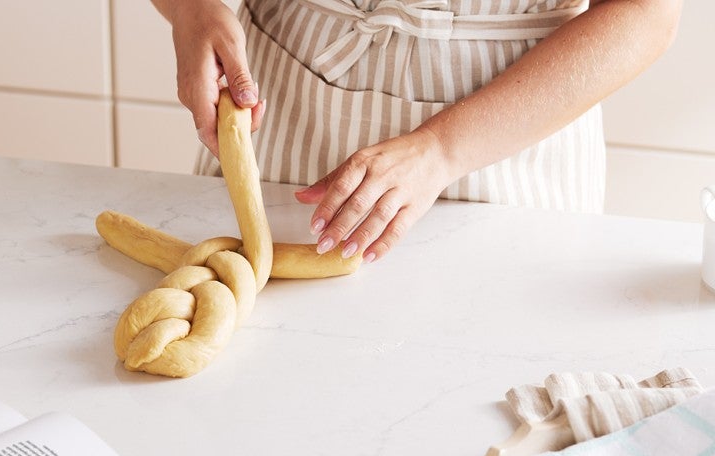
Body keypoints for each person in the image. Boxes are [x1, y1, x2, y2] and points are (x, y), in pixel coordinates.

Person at [152, 0, 681, 263]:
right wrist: (191, 10)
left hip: (511, 138)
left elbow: (647, 12)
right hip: (282, 106)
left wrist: (442, 148)